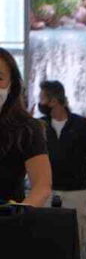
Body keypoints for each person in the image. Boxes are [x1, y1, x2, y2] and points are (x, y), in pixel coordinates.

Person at [37, 81, 86, 259]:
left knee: (79, 235)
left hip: (76, 190)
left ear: (55, 100)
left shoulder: (81, 125)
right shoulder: (40, 125)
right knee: (47, 235)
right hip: (47, 190)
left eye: (43, 98)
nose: (40, 102)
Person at [0, 47, 51, 207]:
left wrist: (19, 213)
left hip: (8, 226)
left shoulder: (27, 129)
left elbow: (41, 186)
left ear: (11, 84)